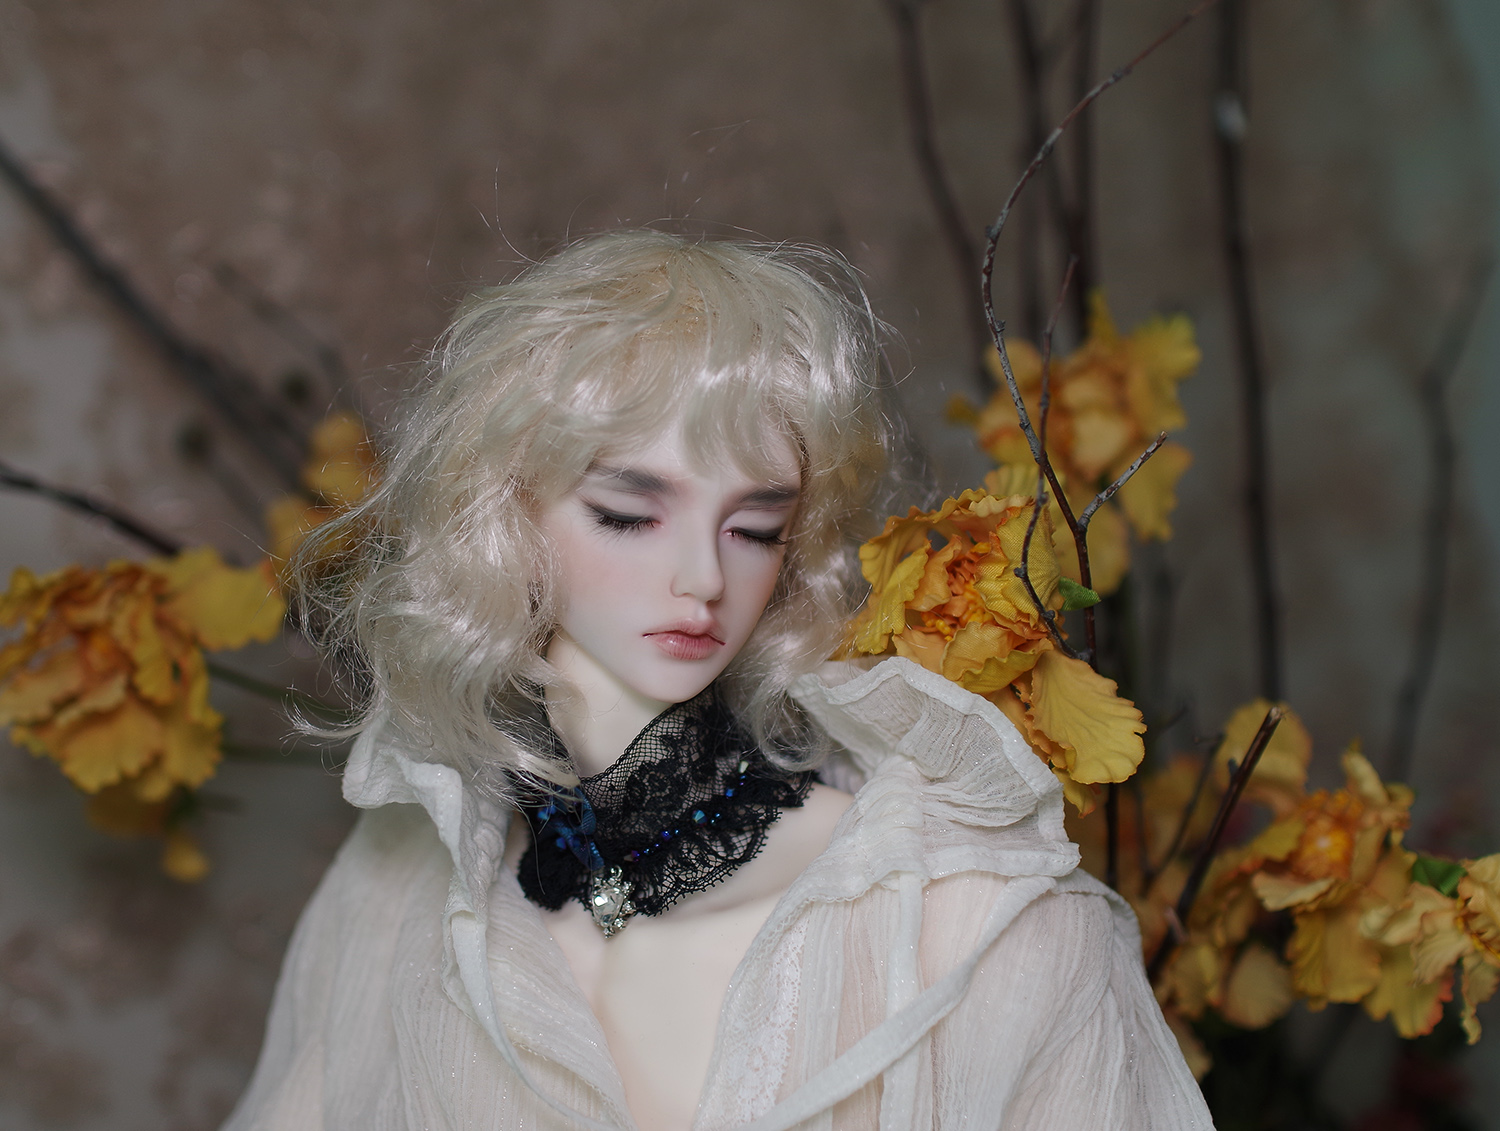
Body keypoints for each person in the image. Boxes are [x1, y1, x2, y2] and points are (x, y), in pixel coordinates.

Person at [223, 231, 1213, 1130]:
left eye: (755, 528)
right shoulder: (400, 888)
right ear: (508, 512)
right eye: (627, 513)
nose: (702, 577)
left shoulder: (970, 921)